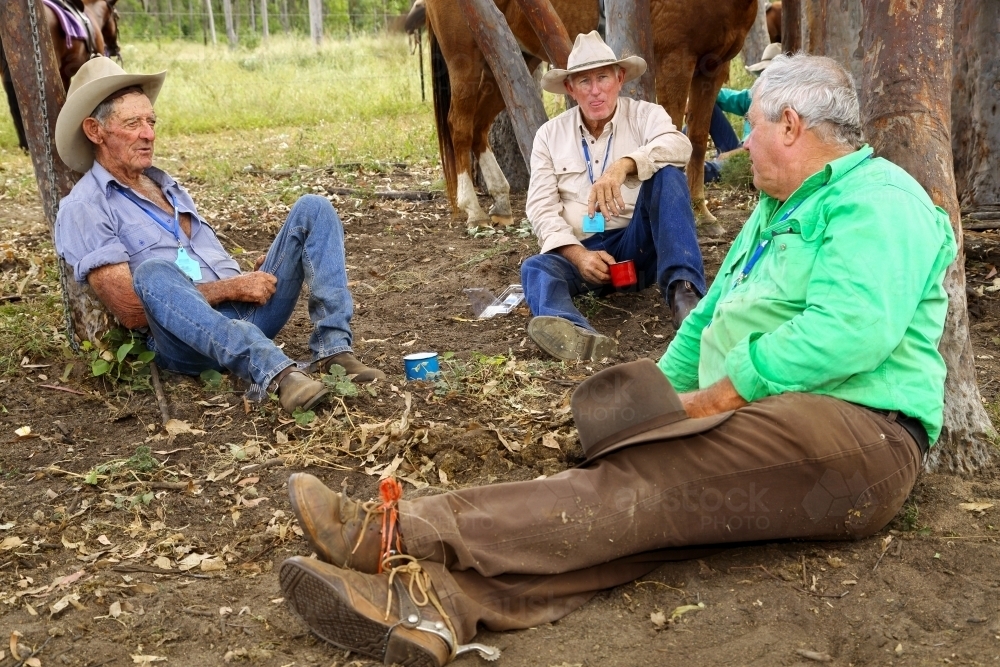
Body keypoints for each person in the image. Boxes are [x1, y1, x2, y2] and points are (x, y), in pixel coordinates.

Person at [276, 53, 955, 666]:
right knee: (638, 514)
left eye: (753, 130)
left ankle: (398, 528)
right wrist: (655, 397)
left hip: (860, 432)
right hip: (784, 420)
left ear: (790, 125)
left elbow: (851, 330)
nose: (742, 145)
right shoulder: (775, 208)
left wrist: (718, 396)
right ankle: (433, 607)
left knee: (645, 480)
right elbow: (707, 321)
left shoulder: (878, 198)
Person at [53, 57, 384, 414]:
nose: (148, 134)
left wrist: (256, 272)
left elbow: (200, 260)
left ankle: (334, 350)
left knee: (314, 208)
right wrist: (231, 288)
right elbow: (133, 310)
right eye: (133, 123)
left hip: (246, 315)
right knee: (152, 272)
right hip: (186, 340)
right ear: (94, 130)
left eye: (151, 121)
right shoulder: (84, 206)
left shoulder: (165, 185)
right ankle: (277, 373)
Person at [520, 31, 706, 362]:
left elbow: (680, 146)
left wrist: (625, 166)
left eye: (603, 77)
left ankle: (685, 296)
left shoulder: (646, 115)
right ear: (570, 88)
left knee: (668, 173)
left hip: (638, 246)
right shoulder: (549, 136)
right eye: (584, 81)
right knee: (536, 268)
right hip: (583, 252)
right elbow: (540, 206)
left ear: (619, 78)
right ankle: (575, 335)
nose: (595, 91)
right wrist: (577, 255)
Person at [704, 42, 782, 183]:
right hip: (738, 149)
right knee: (707, 105)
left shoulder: (778, 107)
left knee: (710, 169)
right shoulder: (754, 95)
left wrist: (730, 155)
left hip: (751, 157)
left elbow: (761, 148)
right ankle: (677, 144)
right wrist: (694, 100)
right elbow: (721, 96)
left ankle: (692, 172)